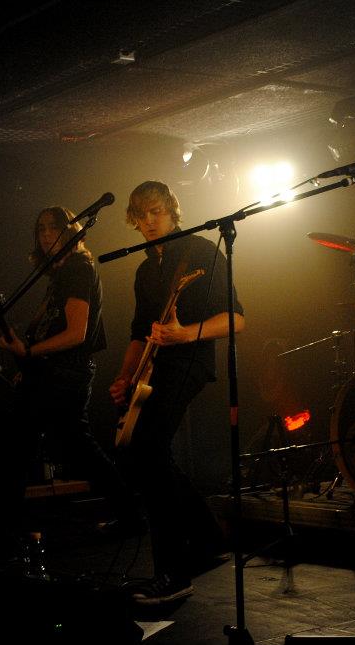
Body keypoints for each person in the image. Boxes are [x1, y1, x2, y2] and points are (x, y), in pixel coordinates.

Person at [109, 180, 245, 605]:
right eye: (141, 215)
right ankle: (208, 537)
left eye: (156, 211)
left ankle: (173, 572)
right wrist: (124, 377)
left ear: (172, 210)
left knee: (148, 449)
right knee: (147, 452)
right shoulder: (145, 270)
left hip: (189, 361)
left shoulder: (201, 251)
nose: (149, 221)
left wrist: (184, 333)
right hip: (153, 367)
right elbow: (139, 332)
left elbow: (237, 319)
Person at [0, 206, 139, 539]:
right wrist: (28, 363)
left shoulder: (76, 269)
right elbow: (53, 328)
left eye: (54, 227)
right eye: (41, 228)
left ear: (71, 230)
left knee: (27, 449)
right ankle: (130, 516)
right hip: (51, 374)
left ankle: (5, 535)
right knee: (62, 447)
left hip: (64, 376)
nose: (46, 234)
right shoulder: (61, 274)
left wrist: (28, 353)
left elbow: (76, 334)